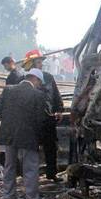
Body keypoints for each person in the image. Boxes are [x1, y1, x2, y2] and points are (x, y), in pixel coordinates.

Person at [0, 68, 49, 199]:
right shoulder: (38, 95)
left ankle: (9, 196)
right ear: (36, 79)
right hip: (29, 136)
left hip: (9, 134)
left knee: (9, 166)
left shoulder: (8, 90)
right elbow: (40, 120)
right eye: (40, 83)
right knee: (31, 168)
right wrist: (40, 140)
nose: (40, 86)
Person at [23, 49, 64, 182]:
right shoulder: (23, 80)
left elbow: (55, 94)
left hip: (48, 118)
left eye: (41, 62)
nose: (40, 64)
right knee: (31, 148)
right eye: (38, 62)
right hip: (31, 120)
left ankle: (51, 173)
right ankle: (30, 176)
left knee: (51, 147)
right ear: (31, 63)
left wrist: (59, 109)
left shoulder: (48, 77)